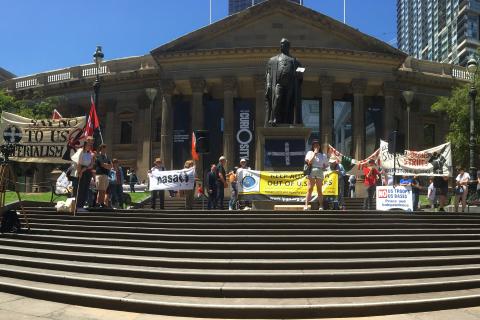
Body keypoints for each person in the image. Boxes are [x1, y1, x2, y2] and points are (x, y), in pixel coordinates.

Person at [265, 38, 303, 126]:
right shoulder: (273, 60)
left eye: (284, 44)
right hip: (279, 84)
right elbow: (268, 74)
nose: (282, 45)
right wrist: (268, 85)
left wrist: (300, 74)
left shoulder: (295, 61)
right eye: (281, 44)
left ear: (288, 46)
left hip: (290, 84)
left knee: (287, 102)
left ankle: (287, 121)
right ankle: (274, 119)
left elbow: (301, 73)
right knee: (277, 98)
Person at [304, 140, 328, 210]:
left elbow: (326, 165)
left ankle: (321, 206)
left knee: (319, 189)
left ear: (319, 146)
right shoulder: (310, 153)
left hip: (319, 171)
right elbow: (309, 162)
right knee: (310, 188)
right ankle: (306, 205)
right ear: (312, 146)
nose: (316, 146)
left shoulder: (323, 155)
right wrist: (314, 154)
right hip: (311, 170)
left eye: (317, 145)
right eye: (314, 145)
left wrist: (323, 167)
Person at [73, 137, 95, 212]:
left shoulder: (90, 153)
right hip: (81, 171)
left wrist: (85, 169)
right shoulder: (81, 151)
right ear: (85, 143)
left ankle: (81, 205)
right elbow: (79, 163)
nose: (90, 144)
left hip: (87, 171)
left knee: (85, 189)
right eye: (89, 143)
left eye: (91, 143)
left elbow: (92, 165)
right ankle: (77, 205)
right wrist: (80, 171)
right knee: (80, 189)